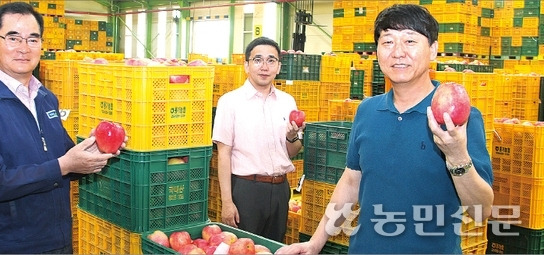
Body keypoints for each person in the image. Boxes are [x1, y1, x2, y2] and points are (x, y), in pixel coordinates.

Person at [276, 4, 494, 254]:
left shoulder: (457, 119)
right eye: (388, 41)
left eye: (410, 41)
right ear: (377, 51)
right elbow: (351, 181)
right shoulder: (367, 111)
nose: (398, 52)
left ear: (433, 50)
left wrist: (457, 154)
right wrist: (315, 242)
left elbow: (481, 210)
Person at [0, 2, 122, 253]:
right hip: (11, 245)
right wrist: (63, 165)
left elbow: (63, 161)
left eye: (33, 39)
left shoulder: (45, 98)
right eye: (13, 38)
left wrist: (92, 151)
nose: (24, 48)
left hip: (58, 240)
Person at [211, 36, 304, 242]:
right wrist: (227, 201)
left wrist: (291, 138)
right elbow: (223, 154)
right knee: (243, 247)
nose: (264, 66)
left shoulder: (287, 101)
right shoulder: (230, 102)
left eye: (271, 60)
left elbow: (293, 150)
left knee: (273, 246)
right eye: (257, 60)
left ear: (279, 67)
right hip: (246, 190)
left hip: (280, 189)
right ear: (246, 65)